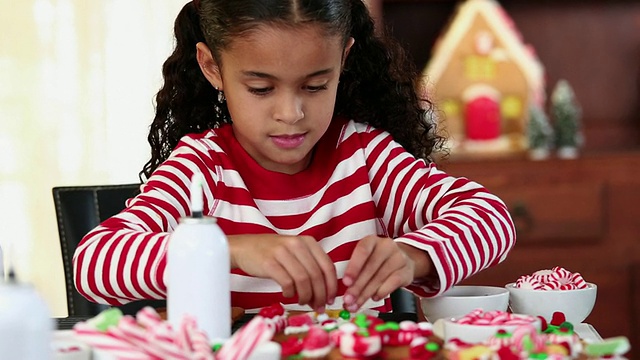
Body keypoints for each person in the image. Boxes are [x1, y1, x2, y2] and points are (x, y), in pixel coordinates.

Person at [73, 0, 515, 314]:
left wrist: (412, 254)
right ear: (212, 68)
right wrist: (229, 249)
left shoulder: (365, 156)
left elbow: (491, 216)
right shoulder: (202, 167)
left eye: (316, 85)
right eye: (261, 89)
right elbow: (95, 262)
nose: (291, 114)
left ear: (343, 61)